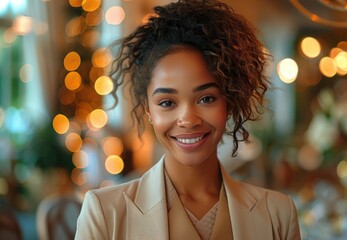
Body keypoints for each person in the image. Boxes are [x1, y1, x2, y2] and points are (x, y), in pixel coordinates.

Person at [75, 0, 301, 239]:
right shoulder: (104, 213)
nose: (188, 120)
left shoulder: (278, 214)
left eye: (206, 99)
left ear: (229, 101)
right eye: (167, 103)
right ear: (148, 110)